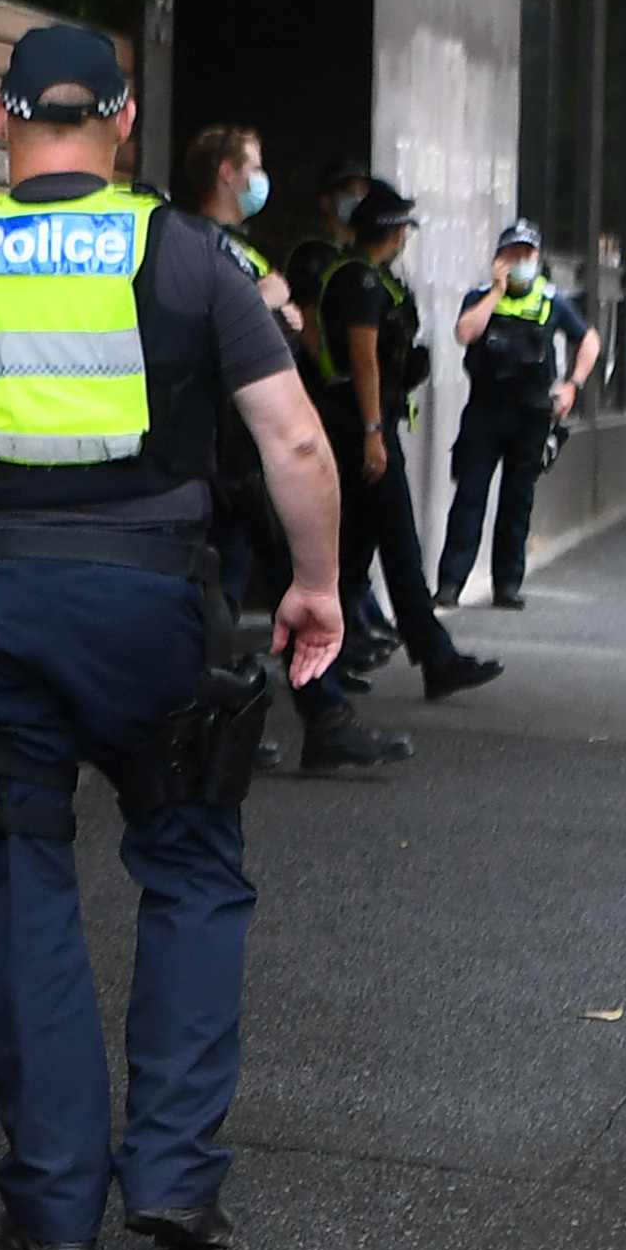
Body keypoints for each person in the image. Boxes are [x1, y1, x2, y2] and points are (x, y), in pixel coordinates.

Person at [0, 26, 349, 1250]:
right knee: (190, 862)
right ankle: (172, 1175)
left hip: (0, 600)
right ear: (122, 119)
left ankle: (55, 1201)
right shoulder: (187, 257)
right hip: (154, 604)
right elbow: (296, 443)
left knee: (23, 875)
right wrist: (318, 584)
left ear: (1, 115)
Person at [176, 124, 403, 779]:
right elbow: (213, 328)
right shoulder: (195, 243)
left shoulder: (236, 248)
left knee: (277, 582)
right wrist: (268, 302)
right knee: (226, 590)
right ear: (225, 173)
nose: (259, 177)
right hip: (226, 448)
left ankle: (314, 717)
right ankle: (228, 724)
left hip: (249, 448)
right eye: (253, 164)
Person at [313, 186, 503, 701]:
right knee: (398, 547)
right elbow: (364, 360)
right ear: (394, 232)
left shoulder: (362, 278)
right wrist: (374, 432)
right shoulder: (360, 283)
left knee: (350, 555)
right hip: (362, 431)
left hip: (363, 427)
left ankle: (328, 664)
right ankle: (435, 658)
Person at [438, 219, 597, 609]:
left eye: (526, 255)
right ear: (498, 259)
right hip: (485, 412)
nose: (520, 261)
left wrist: (572, 383)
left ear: (538, 258)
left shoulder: (551, 299)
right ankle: (450, 584)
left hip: (530, 413)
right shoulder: (480, 296)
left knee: (517, 499)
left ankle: (507, 584)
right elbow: (465, 333)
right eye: (512, 255)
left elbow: (588, 340)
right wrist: (496, 291)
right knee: (470, 497)